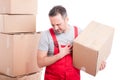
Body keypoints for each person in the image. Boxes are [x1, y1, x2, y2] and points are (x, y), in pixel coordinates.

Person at [37, 5, 106, 80]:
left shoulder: (78, 32)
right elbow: (40, 63)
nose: (55, 28)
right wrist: (60, 55)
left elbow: (91, 50)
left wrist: (99, 61)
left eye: (58, 24)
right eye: (52, 25)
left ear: (66, 19)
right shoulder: (46, 35)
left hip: (73, 77)